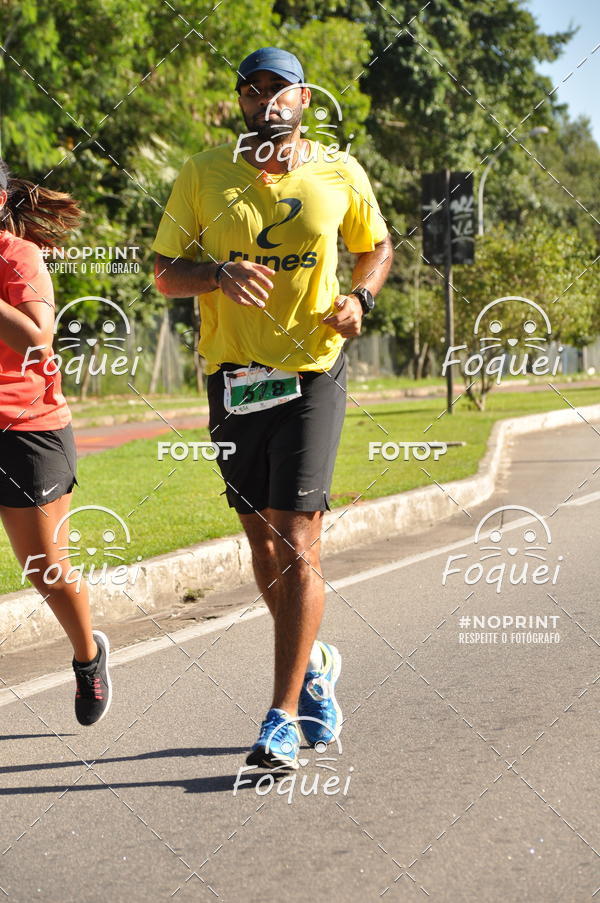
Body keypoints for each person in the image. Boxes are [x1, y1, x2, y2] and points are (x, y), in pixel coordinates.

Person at [153, 47, 392, 768]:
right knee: (260, 544)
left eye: (278, 90)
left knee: (297, 538)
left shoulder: (340, 171)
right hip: (234, 379)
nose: (265, 103)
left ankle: (281, 714)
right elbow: (165, 272)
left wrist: (362, 298)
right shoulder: (202, 173)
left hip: (313, 372)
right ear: (243, 102)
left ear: (304, 98)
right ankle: (313, 663)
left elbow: (375, 246)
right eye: (252, 91)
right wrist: (218, 274)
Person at [0, 161, 111, 725]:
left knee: (43, 566)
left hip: (27, 428)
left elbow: (36, 338)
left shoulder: (18, 256)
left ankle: (88, 658)